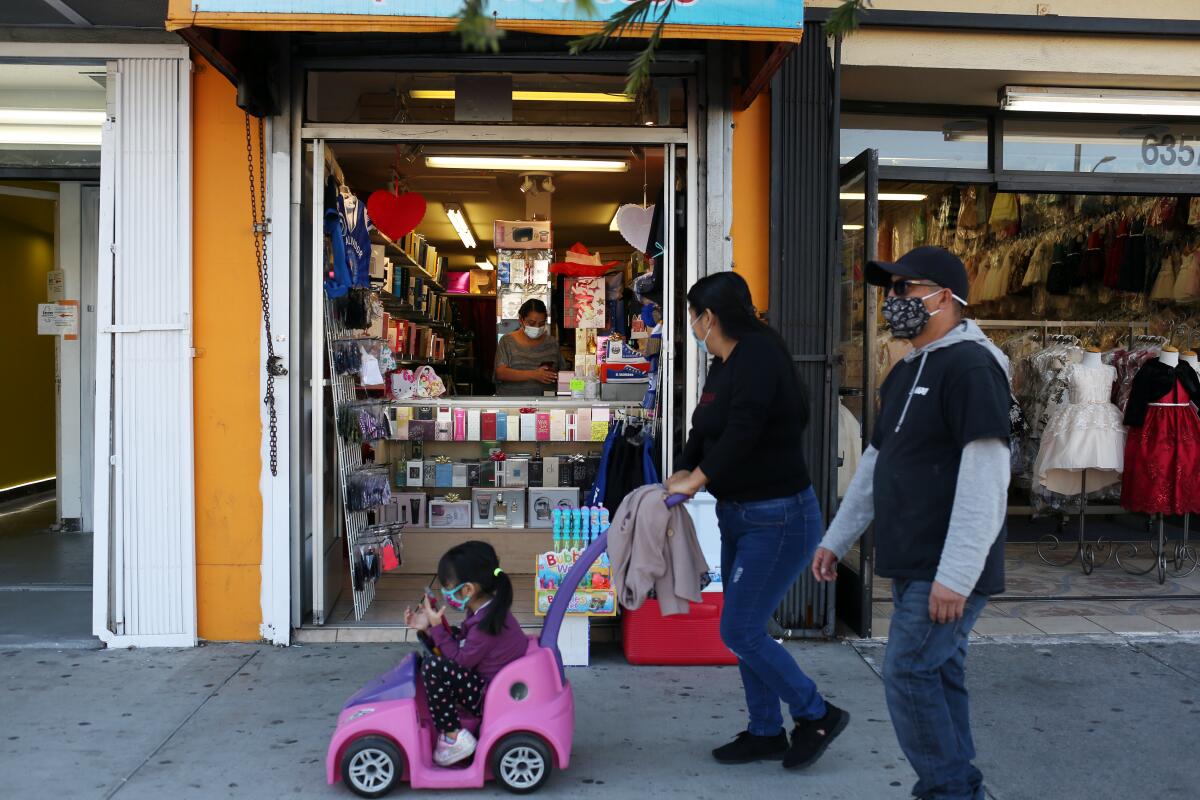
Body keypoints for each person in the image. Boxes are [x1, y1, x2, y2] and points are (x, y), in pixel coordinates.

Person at [812, 246, 1011, 800]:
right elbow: (878, 462)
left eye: (904, 288)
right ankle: (958, 779)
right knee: (938, 672)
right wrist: (837, 539)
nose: (892, 300)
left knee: (907, 672)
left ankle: (948, 789)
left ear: (943, 297)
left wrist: (957, 574)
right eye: (890, 290)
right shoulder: (908, 368)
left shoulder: (972, 366)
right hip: (915, 561)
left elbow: (987, 474)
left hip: (943, 566)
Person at [665, 271, 848, 771]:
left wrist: (697, 479)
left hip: (779, 517)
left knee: (740, 630)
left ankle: (816, 713)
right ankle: (766, 731)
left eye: (693, 317)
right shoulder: (723, 362)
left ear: (710, 316)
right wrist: (682, 467)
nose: (692, 326)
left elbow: (744, 429)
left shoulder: (760, 355)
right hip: (740, 515)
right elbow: (706, 426)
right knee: (746, 627)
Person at [405, 541, 528, 766]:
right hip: (487, 681)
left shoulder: (485, 625)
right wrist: (429, 627)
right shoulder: (485, 610)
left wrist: (437, 629)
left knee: (433, 668)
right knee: (437, 653)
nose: (445, 593)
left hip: (488, 694)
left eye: (447, 587)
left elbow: (460, 660)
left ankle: (453, 737)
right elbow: (460, 644)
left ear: (468, 589)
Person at [494, 299, 566, 396]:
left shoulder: (552, 342)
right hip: (513, 402)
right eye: (532, 323)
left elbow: (563, 373)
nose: (537, 327)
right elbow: (500, 373)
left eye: (541, 324)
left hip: (546, 402)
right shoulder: (507, 341)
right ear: (521, 320)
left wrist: (552, 374)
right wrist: (534, 374)